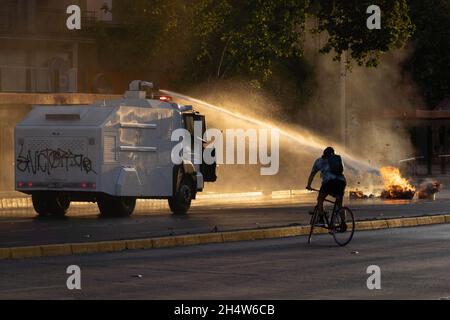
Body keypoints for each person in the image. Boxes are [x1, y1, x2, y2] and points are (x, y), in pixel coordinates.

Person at [306, 147, 347, 227]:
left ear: (323, 154)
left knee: (320, 198)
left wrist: (309, 185)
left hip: (329, 182)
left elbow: (312, 174)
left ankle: (321, 219)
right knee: (339, 204)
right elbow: (342, 170)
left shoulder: (319, 161)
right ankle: (343, 223)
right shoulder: (337, 159)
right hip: (341, 182)